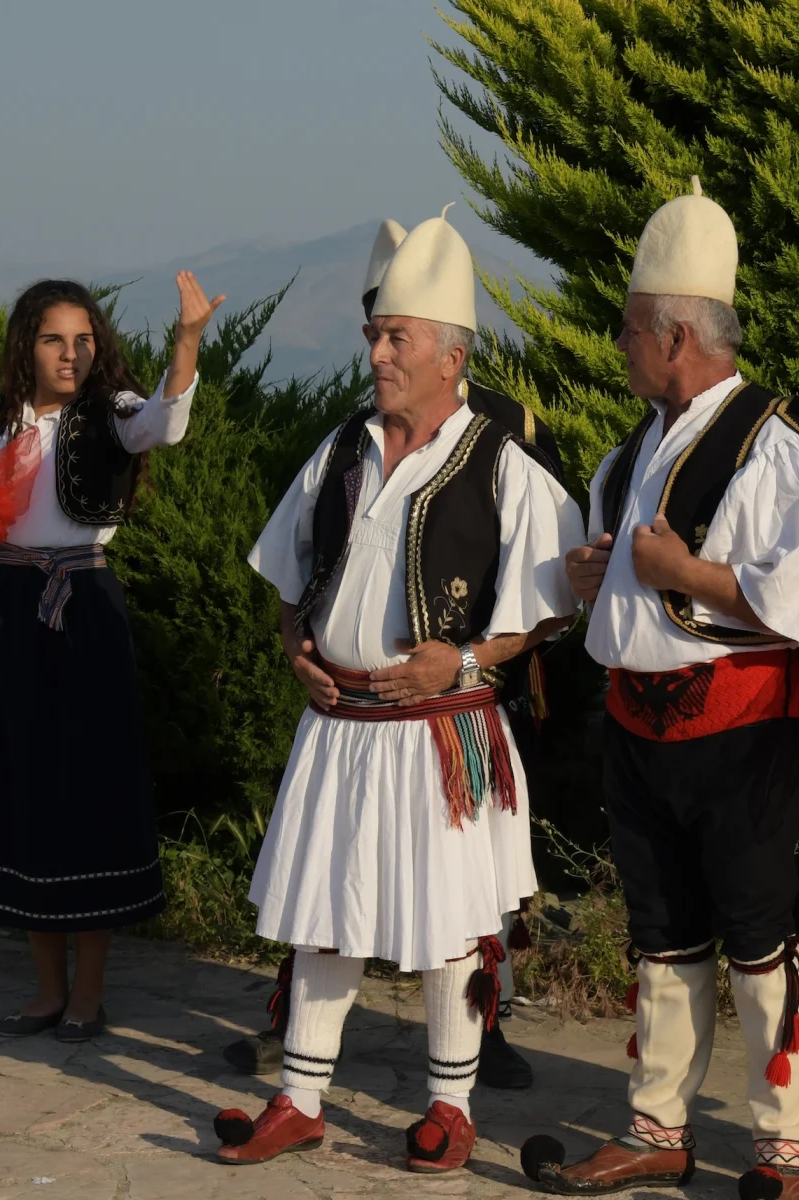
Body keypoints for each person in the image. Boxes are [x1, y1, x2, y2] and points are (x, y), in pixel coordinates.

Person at [217, 210, 582, 1172]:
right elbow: (289, 567)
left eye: (396, 338)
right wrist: (296, 646)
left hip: (440, 731)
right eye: (375, 335)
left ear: (451, 357)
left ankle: (450, 1108)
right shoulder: (342, 446)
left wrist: (461, 664)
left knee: (449, 923)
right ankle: (300, 1099)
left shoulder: (502, 460)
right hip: (339, 721)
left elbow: (551, 610)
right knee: (322, 910)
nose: (376, 353)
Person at [543, 178, 799, 1200]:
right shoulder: (635, 446)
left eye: (631, 329)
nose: (619, 344)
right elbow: (623, 585)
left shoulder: (776, 441)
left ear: (677, 335)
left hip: (741, 730)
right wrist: (594, 579)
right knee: (662, 935)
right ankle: (657, 1128)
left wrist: (686, 575)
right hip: (636, 727)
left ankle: (786, 1153)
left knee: (760, 936)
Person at [0, 273, 222, 1043]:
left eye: (84, 340)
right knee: (23, 788)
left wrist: (187, 340)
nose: (71, 354)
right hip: (0, 610)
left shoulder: (112, 413)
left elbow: (165, 424)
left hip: (79, 611)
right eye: (54, 339)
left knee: (85, 792)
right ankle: (46, 991)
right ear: (27, 345)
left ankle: (88, 992)